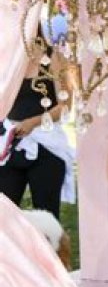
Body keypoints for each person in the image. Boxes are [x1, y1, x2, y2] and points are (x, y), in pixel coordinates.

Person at [0, 34, 75, 220]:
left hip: (47, 145)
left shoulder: (54, 56)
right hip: (11, 145)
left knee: (47, 217)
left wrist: (32, 123)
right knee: (4, 215)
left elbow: (65, 106)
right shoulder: (9, 57)